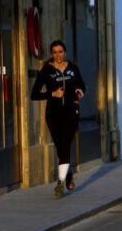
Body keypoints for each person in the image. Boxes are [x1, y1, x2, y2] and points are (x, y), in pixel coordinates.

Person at [30, 40, 86, 198]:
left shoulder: (73, 68)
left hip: (70, 112)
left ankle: (60, 184)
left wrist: (80, 91)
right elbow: (34, 94)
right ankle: (68, 175)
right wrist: (52, 94)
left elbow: (82, 85)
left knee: (65, 145)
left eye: (60, 51)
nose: (58, 55)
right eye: (55, 52)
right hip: (53, 114)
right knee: (60, 146)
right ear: (51, 54)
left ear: (65, 52)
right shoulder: (47, 70)